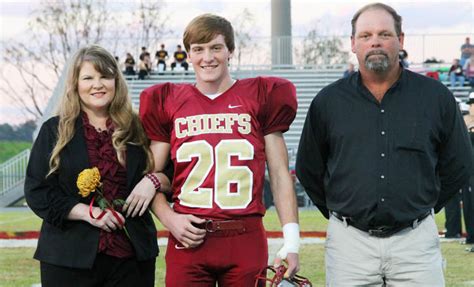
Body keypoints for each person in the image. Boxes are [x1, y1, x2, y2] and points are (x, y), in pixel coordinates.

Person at [296, 3, 472, 286]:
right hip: (350, 245)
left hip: (414, 242)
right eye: (365, 35)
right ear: (353, 44)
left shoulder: (435, 97)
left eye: (384, 34)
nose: (374, 41)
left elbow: (459, 163)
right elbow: (309, 168)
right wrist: (342, 212)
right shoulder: (328, 103)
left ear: (400, 40)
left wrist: (422, 206)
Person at [138, 13, 300, 286]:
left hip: (245, 237)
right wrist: (169, 218)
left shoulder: (261, 96)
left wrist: (292, 240)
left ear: (230, 52)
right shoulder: (167, 101)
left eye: (216, 48)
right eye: (198, 49)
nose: (207, 57)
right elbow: (150, 176)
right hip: (187, 237)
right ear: (188, 55)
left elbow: (280, 173)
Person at [24, 45, 171, 287]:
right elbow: (37, 191)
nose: (97, 84)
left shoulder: (138, 128)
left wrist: (152, 181)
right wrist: (88, 213)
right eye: (88, 78)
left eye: (105, 76)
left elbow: (171, 174)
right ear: (75, 84)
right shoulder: (55, 130)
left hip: (132, 260)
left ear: (116, 80)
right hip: (69, 260)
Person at [445, 94, 474, 244]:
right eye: (471, 103)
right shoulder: (464, 122)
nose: (471, 106)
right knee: (467, 204)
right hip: (465, 170)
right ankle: (469, 235)